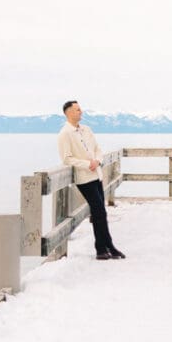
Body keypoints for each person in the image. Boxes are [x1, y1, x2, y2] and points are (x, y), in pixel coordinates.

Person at [57, 100, 125, 260]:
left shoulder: (87, 129)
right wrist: (88, 164)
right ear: (68, 113)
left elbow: (97, 149)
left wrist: (98, 161)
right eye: (77, 110)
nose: (81, 112)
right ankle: (107, 247)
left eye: (80, 109)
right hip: (84, 178)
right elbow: (67, 159)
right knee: (99, 211)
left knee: (100, 213)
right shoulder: (64, 134)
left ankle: (102, 248)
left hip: (97, 175)